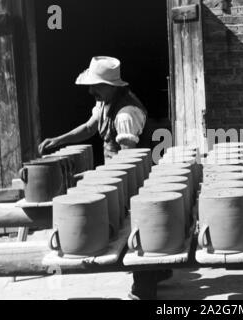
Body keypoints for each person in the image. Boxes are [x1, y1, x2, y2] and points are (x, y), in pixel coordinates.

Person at [38, 56, 171, 300]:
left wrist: (103, 182)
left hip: (134, 179)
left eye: (96, 86)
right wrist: (59, 140)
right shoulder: (105, 103)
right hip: (118, 175)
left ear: (112, 86)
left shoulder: (126, 113)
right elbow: (90, 127)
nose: (91, 91)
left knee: (133, 229)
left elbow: (128, 160)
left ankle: (144, 287)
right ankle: (160, 270)